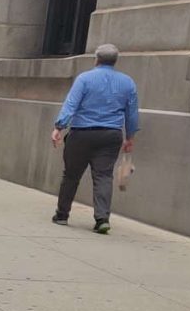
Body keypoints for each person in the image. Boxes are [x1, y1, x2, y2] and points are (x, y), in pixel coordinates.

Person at [51, 43, 139, 234]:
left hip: (82, 133)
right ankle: (102, 218)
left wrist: (59, 127)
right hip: (111, 135)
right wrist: (130, 136)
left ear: (96, 59)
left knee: (71, 175)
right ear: (115, 61)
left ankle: (62, 214)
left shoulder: (84, 79)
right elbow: (132, 113)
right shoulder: (128, 82)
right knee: (103, 176)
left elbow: (71, 104)